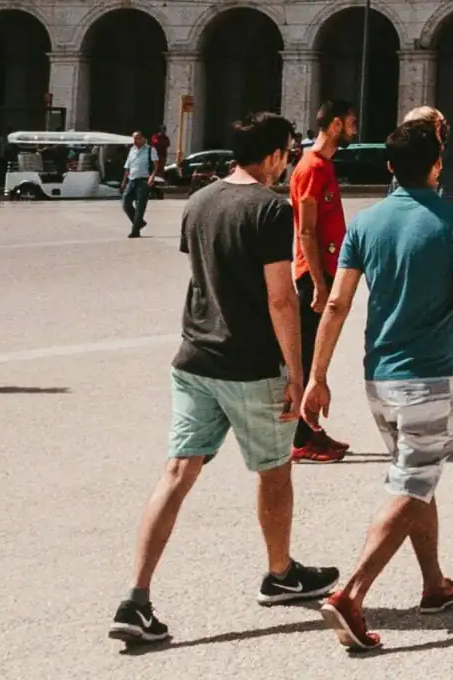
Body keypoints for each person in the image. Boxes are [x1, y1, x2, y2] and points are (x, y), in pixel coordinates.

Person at [109, 110, 337, 647]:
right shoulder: (270, 209)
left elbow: (203, 275)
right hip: (250, 364)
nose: (288, 162)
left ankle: (136, 598)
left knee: (176, 473)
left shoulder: (199, 201)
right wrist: (297, 372)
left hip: (194, 359)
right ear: (274, 154)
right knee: (274, 471)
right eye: (287, 152)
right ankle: (280, 574)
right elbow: (281, 298)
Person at [304, 121, 453, 651]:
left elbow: (336, 303)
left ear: (389, 167)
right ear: (437, 166)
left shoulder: (366, 223)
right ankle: (351, 595)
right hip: (429, 375)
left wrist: (317, 377)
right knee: (411, 484)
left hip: (378, 377)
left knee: (415, 475)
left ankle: (434, 584)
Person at [290, 100, 356, 462]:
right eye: (351, 122)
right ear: (335, 125)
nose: (355, 128)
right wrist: (318, 284)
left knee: (315, 356)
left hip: (326, 272)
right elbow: (306, 231)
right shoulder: (311, 168)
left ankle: (310, 429)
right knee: (306, 359)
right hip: (314, 276)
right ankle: (300, 439)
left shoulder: (325, 165)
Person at [123, 129, 159, 239]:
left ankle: (135, 231)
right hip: (132, 179)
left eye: (137, 138)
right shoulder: (132, 150)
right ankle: (140, 223)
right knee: (126, 203)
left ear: (143, 139)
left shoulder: (150, 150)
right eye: (134, 138)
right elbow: (127, 167)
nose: (135, 141)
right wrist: (124, 181)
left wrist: (152, 177)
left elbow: (156, 165)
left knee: (140, 206)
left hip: (144, 180)